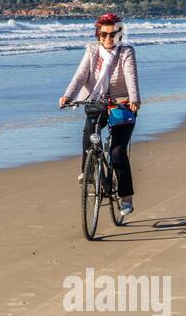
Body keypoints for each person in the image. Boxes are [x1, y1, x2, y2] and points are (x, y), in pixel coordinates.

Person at [58, 13, 141, 214]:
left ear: (119, 34)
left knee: (117, 152)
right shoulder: (92, 50)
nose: (107, 39)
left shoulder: (126, 51)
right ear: (98, 34)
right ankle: (86, 172)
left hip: (122, 105)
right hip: (96, 103)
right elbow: (81, 75)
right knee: (89, 135)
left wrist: (134, 99)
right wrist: (67, 96)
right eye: (103, 34)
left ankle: (126, 196)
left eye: (112, 34)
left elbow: (130, 75)